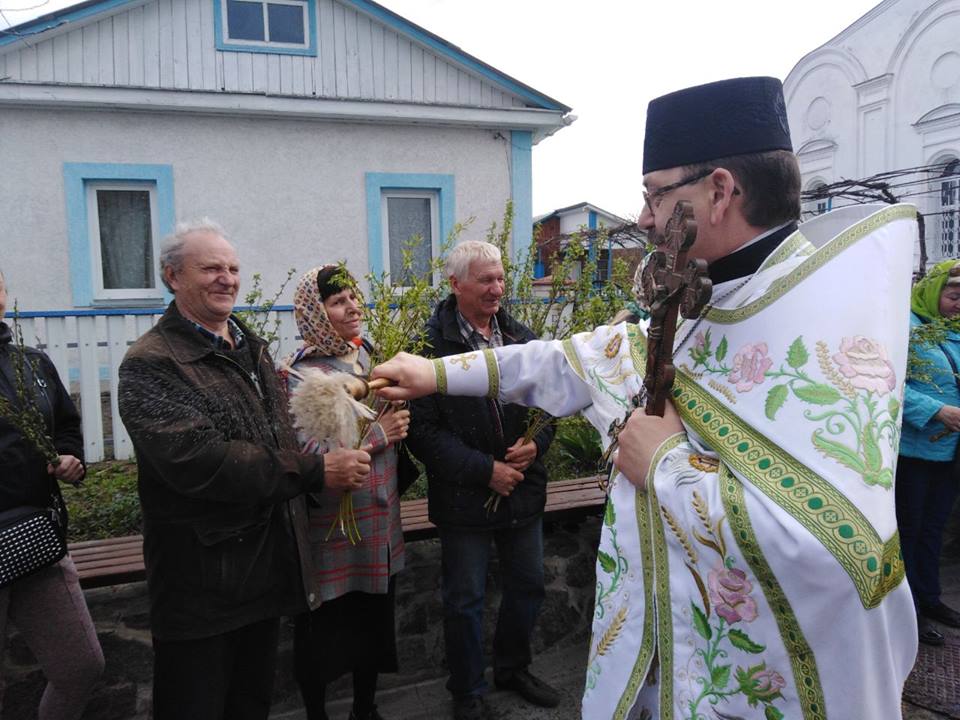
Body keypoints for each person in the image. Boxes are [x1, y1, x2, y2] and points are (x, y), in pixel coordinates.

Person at [371, 77, 919, 719]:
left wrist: (666, 465)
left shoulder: (829, 331)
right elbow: (566, 362)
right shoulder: (695, 303)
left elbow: (846, 554)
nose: (644, 218)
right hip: (664, 656)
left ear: (719, 191)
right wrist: (435, 374)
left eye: (656, 194)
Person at [118, 221, 372, 720]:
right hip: (202, 584)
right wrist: (316, 471)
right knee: (196, 706)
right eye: (210, 268)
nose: (226, 279)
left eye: (232, 268)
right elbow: (201, 462)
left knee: (250, 705)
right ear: (172, 276)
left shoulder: (249, 347)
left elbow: (276, 439)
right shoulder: (150, 362)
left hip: (263, 571)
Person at [403, 240, 557, 720]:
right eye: (485, 280)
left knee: (528, 586)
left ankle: (513, 668)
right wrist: (486, 471)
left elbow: (552, 400)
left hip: (523, 491)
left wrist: (537, 444)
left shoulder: (520, 335)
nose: (497, 289)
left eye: (500, 278)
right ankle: (467, 691)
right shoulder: (429, 348)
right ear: (456, 284)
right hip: (466, 498)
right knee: (464, 600)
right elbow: (423, 435)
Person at [283, 265, 410, 720]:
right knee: (322, 631)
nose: (353, 306)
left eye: (354, 297)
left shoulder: (370, 357)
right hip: (333, 526)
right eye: (338, 302)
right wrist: (382, 434)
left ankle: (364, 709)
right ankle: (317, 713)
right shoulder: (302, 376)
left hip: (377, 519)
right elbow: (309, 450)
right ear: (316, 315)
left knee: (372, 626)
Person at [0, 269, 104, 719]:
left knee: (81, 667)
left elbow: (65, 422)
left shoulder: (31, 363)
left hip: (35, 541)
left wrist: (68, 457)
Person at [897, 259, 960, 646]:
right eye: (954, 296)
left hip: (950, 454)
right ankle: (907, 614)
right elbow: (883, 384)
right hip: (913, 451)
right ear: (933, 291)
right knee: (908, 530)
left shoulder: (956, 333)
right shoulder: (905, 329)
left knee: (934, 530)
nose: (959, 305)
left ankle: (929, 599)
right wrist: (935, 410)